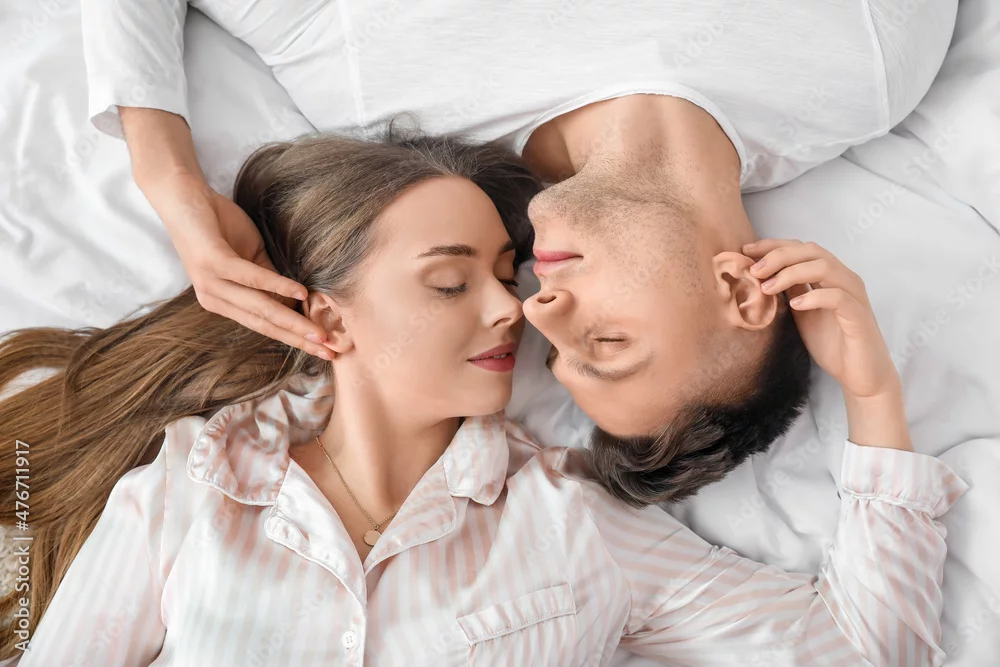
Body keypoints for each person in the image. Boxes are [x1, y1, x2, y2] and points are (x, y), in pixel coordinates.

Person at [0, 132, 968, 666]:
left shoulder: (575, 522)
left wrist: (871, 390)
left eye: (507, 272)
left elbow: (865, 652)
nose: (513, 307)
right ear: (327, 319)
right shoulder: (192, 487)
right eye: (450, 280)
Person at [79, 0, 962, 504]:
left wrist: (171, 180)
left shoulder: (372, 76)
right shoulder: (862, 61)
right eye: (608, 342)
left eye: (558, 352)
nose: (540, 309)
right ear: (744, 290)